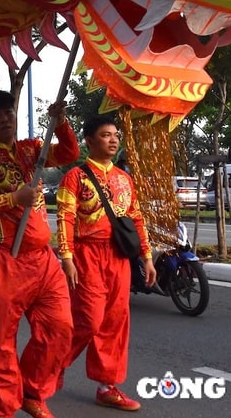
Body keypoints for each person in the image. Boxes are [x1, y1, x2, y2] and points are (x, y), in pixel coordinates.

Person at [0, 90, 80, 418]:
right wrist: (14, 198)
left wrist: (61, 121)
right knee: (1, 342)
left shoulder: (32, 150)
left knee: (60, 329)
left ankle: (33, 392)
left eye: (8, 112)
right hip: (1, 258)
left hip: (42, 259)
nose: (5, 119)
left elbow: (69, 152)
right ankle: (2, 409)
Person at [55, 115, 156, 412]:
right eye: (105, 135)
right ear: (89, 140)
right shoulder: (75, 177)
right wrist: (67, 257)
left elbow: (136, 219)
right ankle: (51, 363)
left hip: (119, 259)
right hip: (87, 256)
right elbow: (65, 218)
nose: (113, 140)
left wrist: (147, 258)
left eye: (115, 135)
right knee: (89, 319)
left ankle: (107, 386)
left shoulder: (125, 179)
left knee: (115, 322)